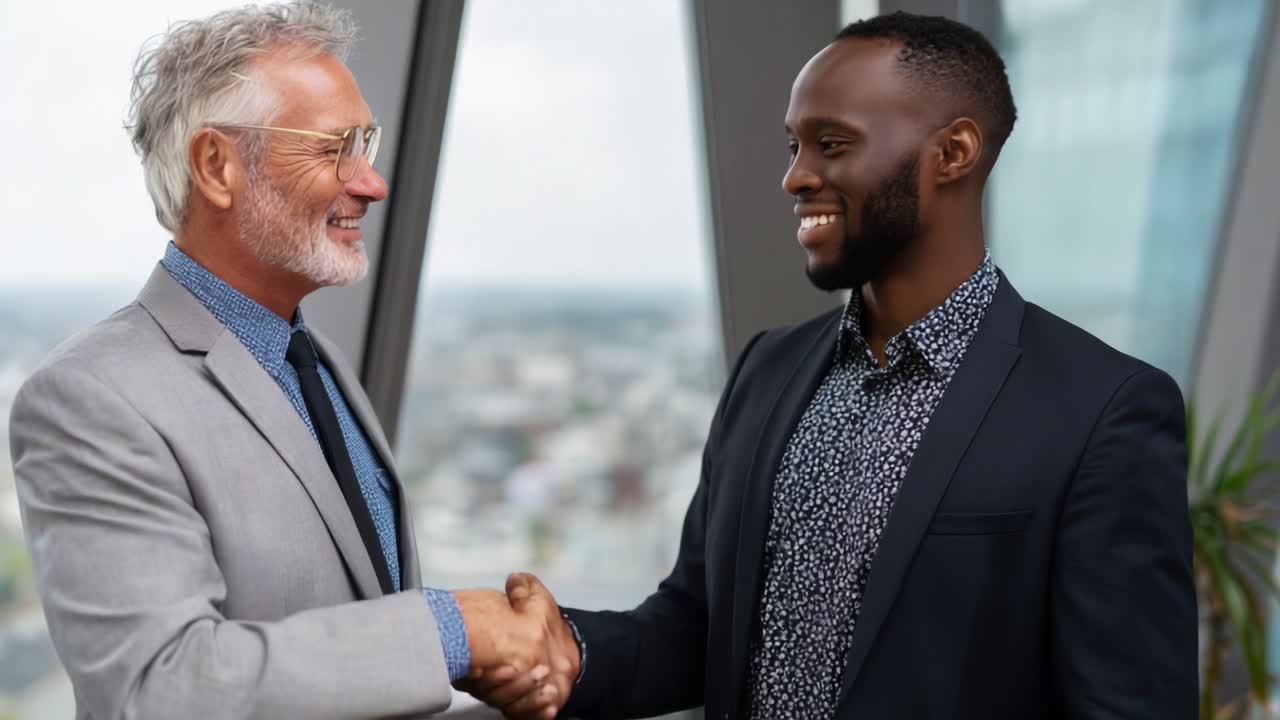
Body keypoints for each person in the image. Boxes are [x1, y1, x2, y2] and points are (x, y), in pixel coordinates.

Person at [468, 11, 1198, 720]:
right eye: (794, 146)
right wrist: (570, 650)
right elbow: (699, 629)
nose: (795, 177)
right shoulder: (768, 370)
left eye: (832, 145)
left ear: (953, 153)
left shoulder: (1102, 410)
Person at [8, 3, 574, 719]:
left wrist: (499, 665)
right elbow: (158, 690)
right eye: (333, 149)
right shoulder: (90, 399)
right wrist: (454, 631)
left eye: (366, 143)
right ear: (216, 166)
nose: (371, 183)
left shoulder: (315, 361)